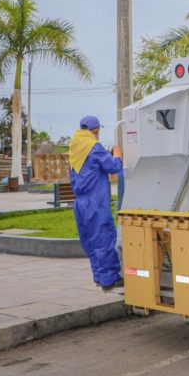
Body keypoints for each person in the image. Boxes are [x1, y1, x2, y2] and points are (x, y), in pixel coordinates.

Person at [69, 116, 124, 291]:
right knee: (104, 239)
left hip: (80, 203)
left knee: (90, 242)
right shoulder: (94, 147)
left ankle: (99, 277)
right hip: (95, 202)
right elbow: (113, 167)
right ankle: (110, 279)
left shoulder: (75, 147)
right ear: (96, 130)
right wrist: (117, 155)